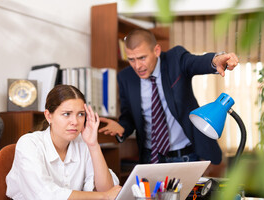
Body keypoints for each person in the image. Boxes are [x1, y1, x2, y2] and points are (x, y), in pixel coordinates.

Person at [99, 28, 239, 165]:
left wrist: (216, 60)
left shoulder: (175, 59)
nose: (137, 66)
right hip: (151, 158)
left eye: (142, 58)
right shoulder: (126, 77)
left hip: (186, 156)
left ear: (156, 51)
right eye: (131, 59)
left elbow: (196, 62)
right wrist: (122, 127)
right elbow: (128, 115)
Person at [6, 85, 121, 200]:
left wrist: (93, 145)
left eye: (80, 114)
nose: (75, 122)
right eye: (67, 114)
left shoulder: (83, 143)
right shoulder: (29, 143)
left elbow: (108, 190)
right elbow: (46, 196)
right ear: (49, 116)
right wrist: (103, 196)